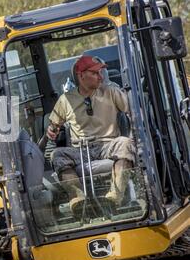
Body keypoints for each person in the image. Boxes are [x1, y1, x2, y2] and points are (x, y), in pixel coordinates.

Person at [46, 55, 135, 214]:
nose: (101, 77)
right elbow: (53, 126)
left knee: (126, 143)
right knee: (57, 154)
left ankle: (114, 198)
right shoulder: (66, 99)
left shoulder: (111, 92)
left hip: (109, 145)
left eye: (101, 72)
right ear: (81, 76)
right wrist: (52, 130)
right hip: (81, 150)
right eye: (95, 73)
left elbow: (133, 112)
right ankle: (78, 199)